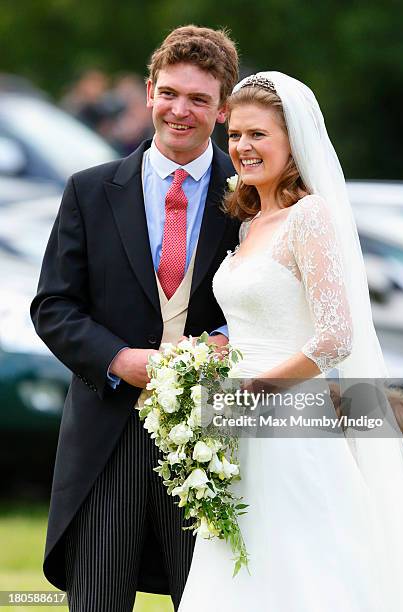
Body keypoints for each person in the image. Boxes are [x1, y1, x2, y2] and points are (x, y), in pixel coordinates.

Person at [178, 73, 403, 611]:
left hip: (294, 423)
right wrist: (214, 362)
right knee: (238, 566)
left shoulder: (311, 218)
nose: (243, 148)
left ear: (292, 142)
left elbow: (334, 338)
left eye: (259, 135)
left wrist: (257, 386)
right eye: (236, 136)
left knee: (303, 566)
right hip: (235, 425)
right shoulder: (250, 225)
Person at [30, 25, 240, 611]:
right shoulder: (90, 191)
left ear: (222, 109)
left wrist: (222, 346)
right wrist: (119, 360)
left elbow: (270, 306)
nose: (181, 110)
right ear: (148, 92)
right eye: (170, 93)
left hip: (215, 439)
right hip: (108, 436)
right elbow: (53, 306)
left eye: (200, 99)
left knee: (212, 601)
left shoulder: (249, 198)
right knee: (97, 600)